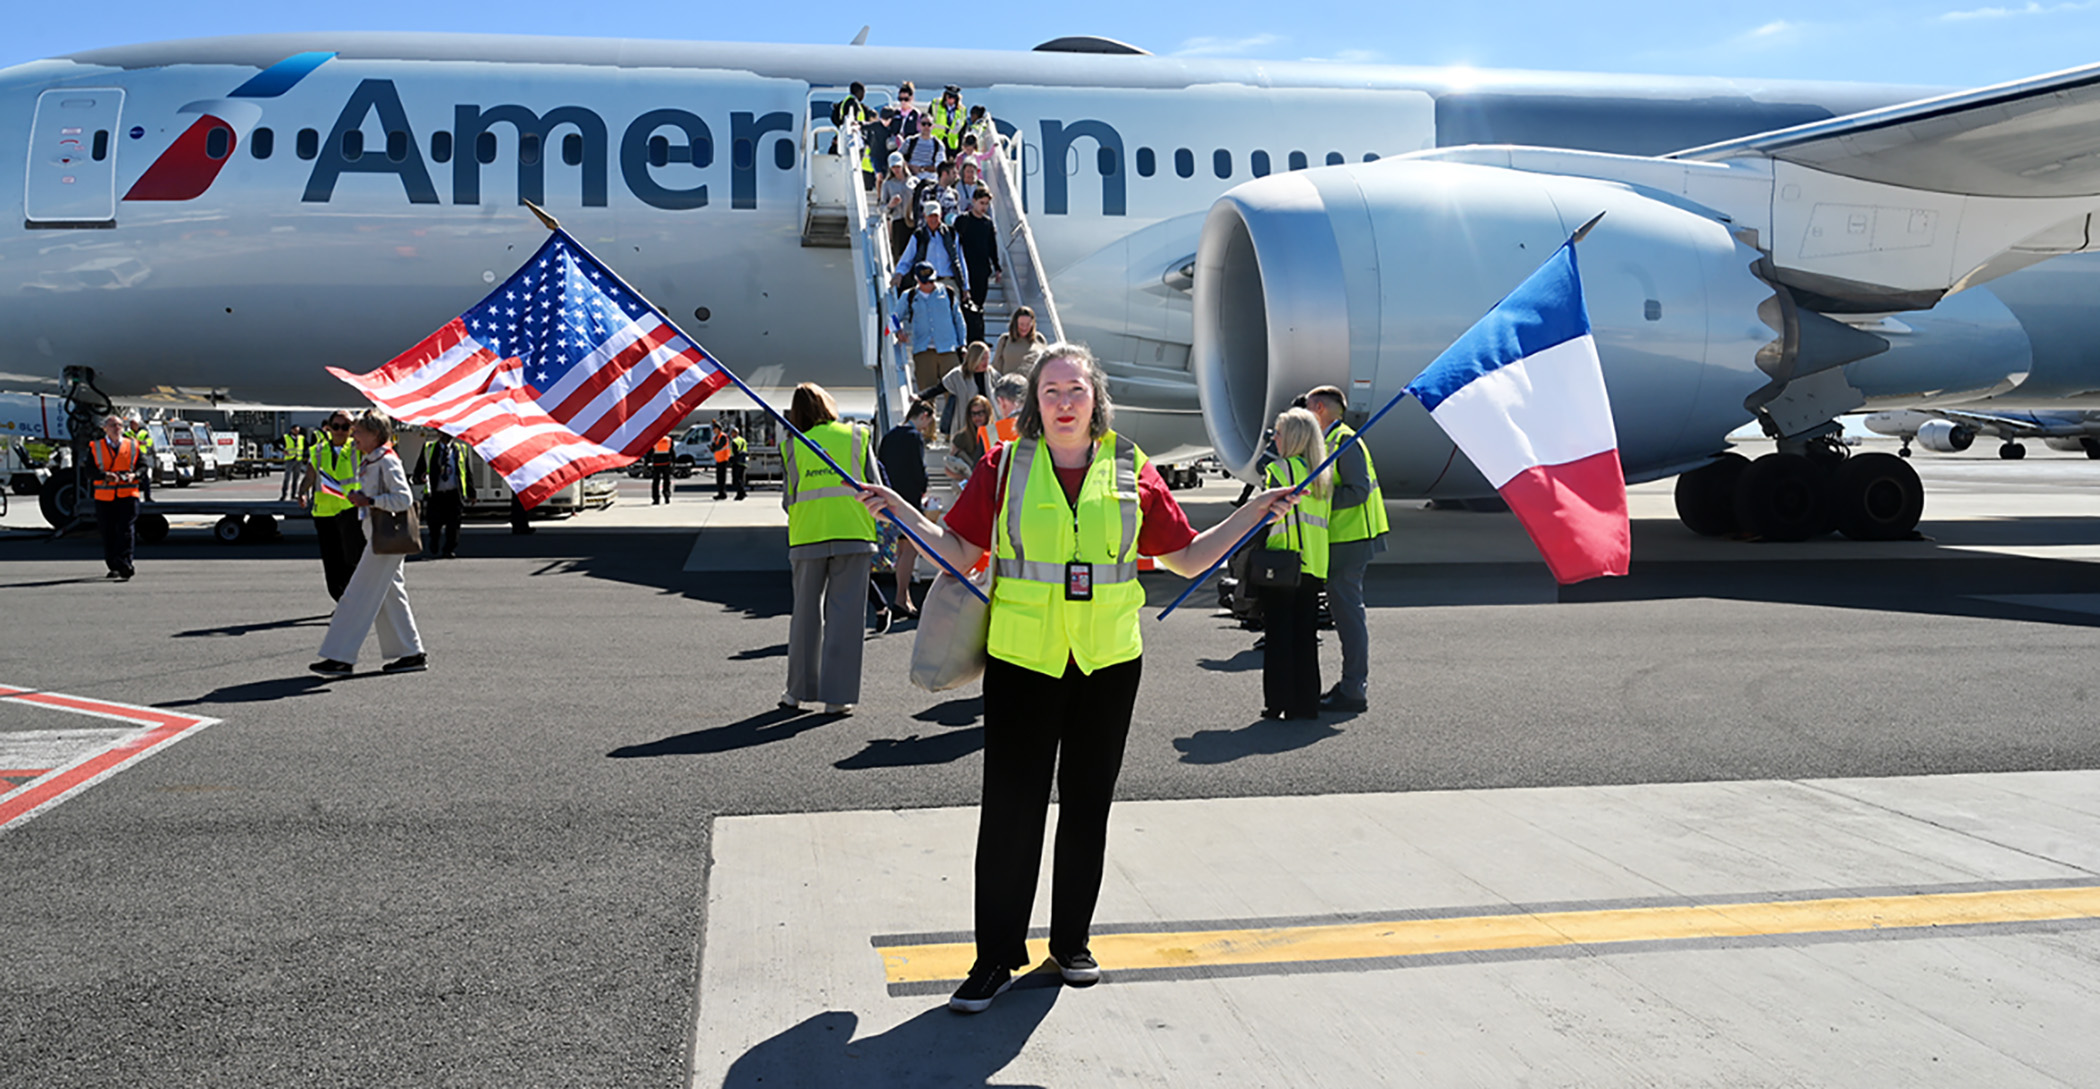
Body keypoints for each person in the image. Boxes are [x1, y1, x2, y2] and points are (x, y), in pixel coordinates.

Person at [855, 344, 1301, 1013]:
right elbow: (959, 551)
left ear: (1096, 398)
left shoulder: (1132, 468)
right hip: (1023, 661)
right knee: (1011, 810)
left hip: (1107, 663)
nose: (1064, 403)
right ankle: (994, 957)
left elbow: (1183, 557)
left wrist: (1252, 512)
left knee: (1087, 804)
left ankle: (1071, 942)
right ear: (1034, 401)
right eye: (1052, 391)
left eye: (1076, 390)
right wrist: (900, 511)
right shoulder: (1003, 466)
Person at [780, 383, 881, 715]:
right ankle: (837, 699)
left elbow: (788, 500)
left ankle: (796, 693)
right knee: (846, 617)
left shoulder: (792, 445)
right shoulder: (856, 436)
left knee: (805, 616)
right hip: (852, 532)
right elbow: (875, 485)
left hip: (808, 535)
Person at [310, 412, 426, 676]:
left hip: (383, 540)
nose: (354, 436)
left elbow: (403, 499)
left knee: (355, 595)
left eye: (358, 432)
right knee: (390, 598)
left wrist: (370, 501)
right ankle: (411, 653)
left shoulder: (386, 461)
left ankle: (339, 656)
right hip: (377, 537)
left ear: (375, 434)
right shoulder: (373, 459)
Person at [1302, 385, 1388, 713]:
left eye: (1307, 407)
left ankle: (1354, 688)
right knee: (1345, 613)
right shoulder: (1331, 440)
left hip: (1351, 539)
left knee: (1348, 614)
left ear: (1320, 408)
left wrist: (1315, 499)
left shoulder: (1344, 441)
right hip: (1344, 538)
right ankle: (1352, 685)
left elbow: (1357, 491)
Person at [1256, 408, 1332, 720]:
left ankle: (1278, 702)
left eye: (1279, 433)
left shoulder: (1281, 470)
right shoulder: (1322, 476)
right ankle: (1306, 703)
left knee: (1278, 637)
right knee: (1304, 638)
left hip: (1283, 563)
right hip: (1314, 563)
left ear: (1293, 438)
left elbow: (1261, 512)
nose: (1274, 438)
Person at [876, 400, 935, 620]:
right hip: (909, 501)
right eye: (928, 422)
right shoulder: (914, 437)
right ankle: (901, 598)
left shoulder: (889, 436)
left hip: (890, 498)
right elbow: (919, 470)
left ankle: (904, 596)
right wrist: (923, 490)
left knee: (902, 550)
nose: (927, 427)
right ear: (924, 415)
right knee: (909, 551)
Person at [298, 411, 365, 602]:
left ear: (352, 428)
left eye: (345, 427)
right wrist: (302, 492)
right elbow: (310, 476)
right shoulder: (318, 450)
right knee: (331, 560)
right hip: (324, 512)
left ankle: (353, 600)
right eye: (336, 426)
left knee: (351, 559)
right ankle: (341, 599)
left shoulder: (358, 448)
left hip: (350, 510)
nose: (340, 431)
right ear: (328, 427)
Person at [895, 262, 968, 394]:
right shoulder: (909, 296)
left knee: (954, 393)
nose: (929, 285)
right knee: (926, 394)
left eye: (931, 281)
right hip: (923, 351)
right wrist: (898, 332)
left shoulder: (947, 293)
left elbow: (959, 320)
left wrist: (962, 344)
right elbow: (894, 317)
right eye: (925, 282)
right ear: (917, 280)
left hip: (948, 349)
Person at [89, 414, 140, 581]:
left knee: (126, 530)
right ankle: (114, 565)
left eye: (119, 425)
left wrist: (135, 475)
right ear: (105, 429)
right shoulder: (96, 447)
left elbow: (144, 466)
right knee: (108, 532)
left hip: (128, 494)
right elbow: (88, 471)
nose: (116, 428)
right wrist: (104, 476)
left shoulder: (132, 445)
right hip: (105, 496)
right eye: (112, 425)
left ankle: (126, 563)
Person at [411, 430, 476, 558]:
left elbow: (467, 472)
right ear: (439, 433)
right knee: (434, 524)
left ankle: (449, 549)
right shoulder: (429, 449)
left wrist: (471, 493)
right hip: (435, 495)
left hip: (454, 494)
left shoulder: (461, 449)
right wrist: (420, 478)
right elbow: (418, 472)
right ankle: (434, 541)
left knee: (454, 524)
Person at [915, 340, 995, 434]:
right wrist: (920, 396)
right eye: (982, 359)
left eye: (987, 358)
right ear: (974, 358)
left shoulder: (992, 374)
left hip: (987, 421)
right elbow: (940, 388)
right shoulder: (958, 375)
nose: (986, 362)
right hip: (966, 421)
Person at [893, 201, 968, 299]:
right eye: (930, 216)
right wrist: (899, 273)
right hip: (926, 282)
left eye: (935, 216)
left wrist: (965, 286)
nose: (933, 219)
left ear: (940, 215)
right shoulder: (919, 236)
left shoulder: (951, 234)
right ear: (925, 216)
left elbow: (960, 260)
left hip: (948, 281)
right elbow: (908, 257)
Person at [954, 188, 1000, 345]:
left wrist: (997, 267)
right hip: (966, 269)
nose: (984, 207)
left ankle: (979, 338)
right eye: (981, 203)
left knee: (979, 305)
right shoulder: (963, 220)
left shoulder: (987, 223)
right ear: (973, 201)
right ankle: (965, 338)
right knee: (966, 305)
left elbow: (992, 247)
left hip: (982, 270)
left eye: (986, 204)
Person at [944, 394, 993, 482]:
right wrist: (965, 478)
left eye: (980, 413)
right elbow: (949, 468)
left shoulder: (995, 434)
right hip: (970, 483)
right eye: (973, 414)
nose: (977, 417)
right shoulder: (961, 437)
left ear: (987, 413)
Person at [880, 153, 917, 259]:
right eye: (893, 167)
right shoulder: (887, 184)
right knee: (900, 255)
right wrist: (890, 205)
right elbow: (881, 208)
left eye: (898, 166)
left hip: (913, 222)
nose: (896, 170)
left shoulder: (914, 181)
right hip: (898, 222)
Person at [992, 307, 1047, 375]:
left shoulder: (1039, 339)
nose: (1024, 328)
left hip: (1031, 384)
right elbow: (996, 367)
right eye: (1021, 324)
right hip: (1009, 383)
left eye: (1028, 324)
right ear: (1015, 323)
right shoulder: (1005, 340)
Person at [929, 85, 966, 156]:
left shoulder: (962, 110)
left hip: (951, 144)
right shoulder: (936, 104)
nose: (951, 100)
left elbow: (961, 130)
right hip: (936, 140)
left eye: (954, 98)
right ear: (945, 96)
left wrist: (959, 148)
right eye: (949, 97)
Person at [278, 424, 307, 500]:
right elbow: (275, 443)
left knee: (296, 478)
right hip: (290, 459)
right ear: (292, 430)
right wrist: (282, 450)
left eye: (298, 430)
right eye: (296, 430)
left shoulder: (301, 438)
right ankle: (284, 494)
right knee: (287, 478)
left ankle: (293, 494)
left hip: (298, 460)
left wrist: (304, 454)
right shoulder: (286, 437)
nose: (297, 432)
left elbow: (307, 445)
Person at [710, 422, 732, 499]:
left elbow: (719, 447)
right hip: (718, 460)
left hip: (723, 459)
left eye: (714, 429)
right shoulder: (716, 438)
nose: (713, 430)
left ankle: (723, 494)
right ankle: (720, 493)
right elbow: (714, 448)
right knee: (719, 478)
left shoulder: (723, 437)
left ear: (718, 429)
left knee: (722, 478)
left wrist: (714, 448)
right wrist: (712, 448)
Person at [728, 425, 749, 500]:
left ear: (734, 433)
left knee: (737, 479)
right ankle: (743, 492)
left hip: (737, 462)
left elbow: (735, 452)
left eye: (732, 433)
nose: (731, 434)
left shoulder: (734, 441)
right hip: (743, 461)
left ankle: (740, 494)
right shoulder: (743, 440)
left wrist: (731, 460)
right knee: (741, 478)